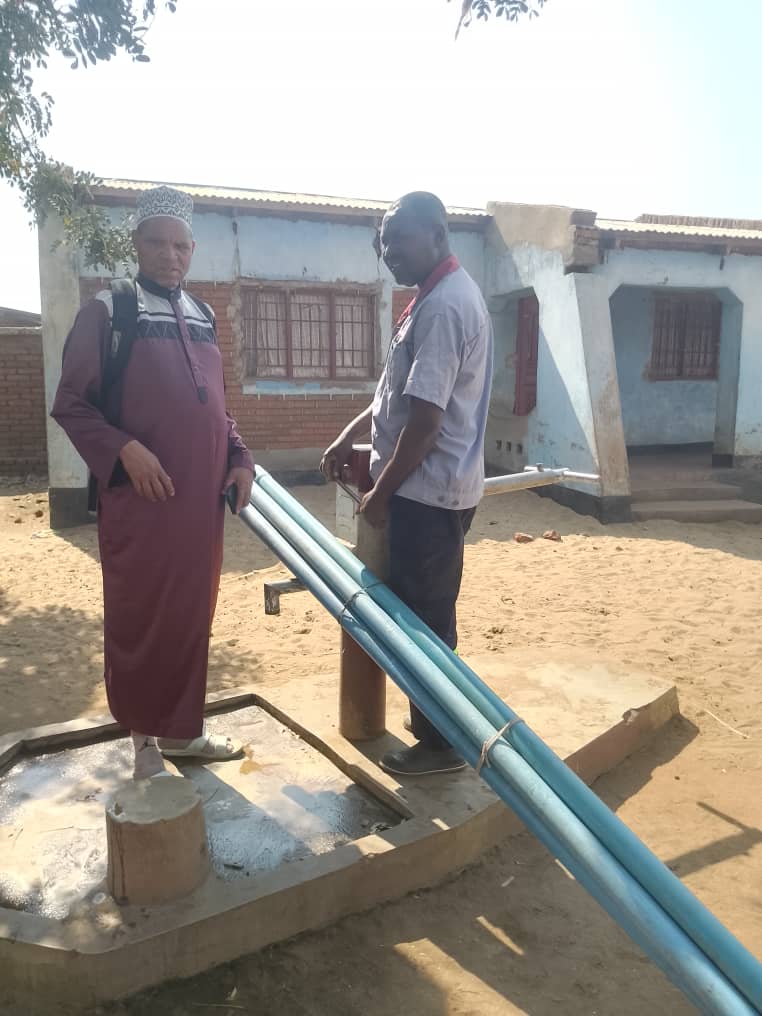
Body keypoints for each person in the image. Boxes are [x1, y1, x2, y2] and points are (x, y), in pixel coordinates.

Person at [52, 186, 255, 780]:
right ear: (137, 245)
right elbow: (72, 403)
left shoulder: (204, 316)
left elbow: (216, 407)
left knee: (191, 619)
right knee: (141, 617)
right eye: (158, 243)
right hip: (141, 509)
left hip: (200, 512)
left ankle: (183, 734)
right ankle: (144, 743)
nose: (170, 255)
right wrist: (124, 449)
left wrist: (239, 456)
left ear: (192, 250)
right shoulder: (109, 312)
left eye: (180, 245)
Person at [321, 191, 493, 776]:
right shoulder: (427, 299)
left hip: (427, 494)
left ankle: (441, 745)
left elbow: (424, 422)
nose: (388, 251)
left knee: (426, 624)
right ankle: (438, 732)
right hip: (425, 489)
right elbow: (393, 396)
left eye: (399, 239)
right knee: (420, 613)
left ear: (438, 236)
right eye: (382, 242)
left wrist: (382, 493)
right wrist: (348, 436)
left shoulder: (444, 306)